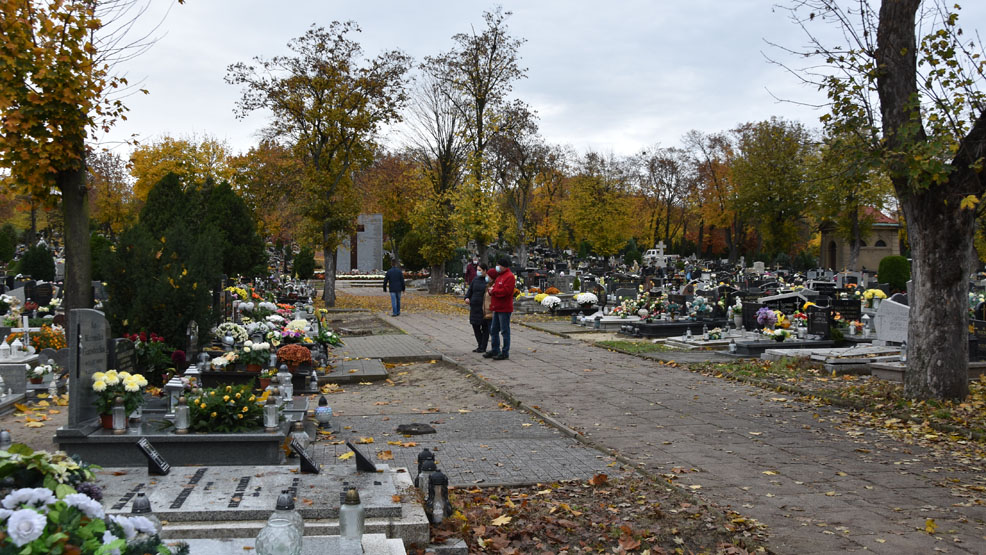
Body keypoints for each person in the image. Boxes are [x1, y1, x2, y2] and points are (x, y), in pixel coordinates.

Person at [484, 257, 516, 360]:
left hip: (504, 308)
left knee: (504, 330)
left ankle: (505, 352)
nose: (497, 267)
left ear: (503, 266)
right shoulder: (499, 276)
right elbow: (496, 288)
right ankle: (495, 349)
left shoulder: (509, 277)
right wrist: (492, 290)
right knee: (493, 330)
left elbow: (505, 292)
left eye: (498, 265)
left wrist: (494, 291)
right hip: (496, 307)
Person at [463, 264, 490, 352]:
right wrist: (467, 297)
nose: (478, 271)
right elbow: (470, 290)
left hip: (484, 307)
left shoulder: (488, 281)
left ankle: (483, 346)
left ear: (485, 270)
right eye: (477, 270)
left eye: (480, 270)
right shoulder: (475, 279)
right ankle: (480, 344)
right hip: (474, 306)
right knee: (475, 326)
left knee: (485, 327)